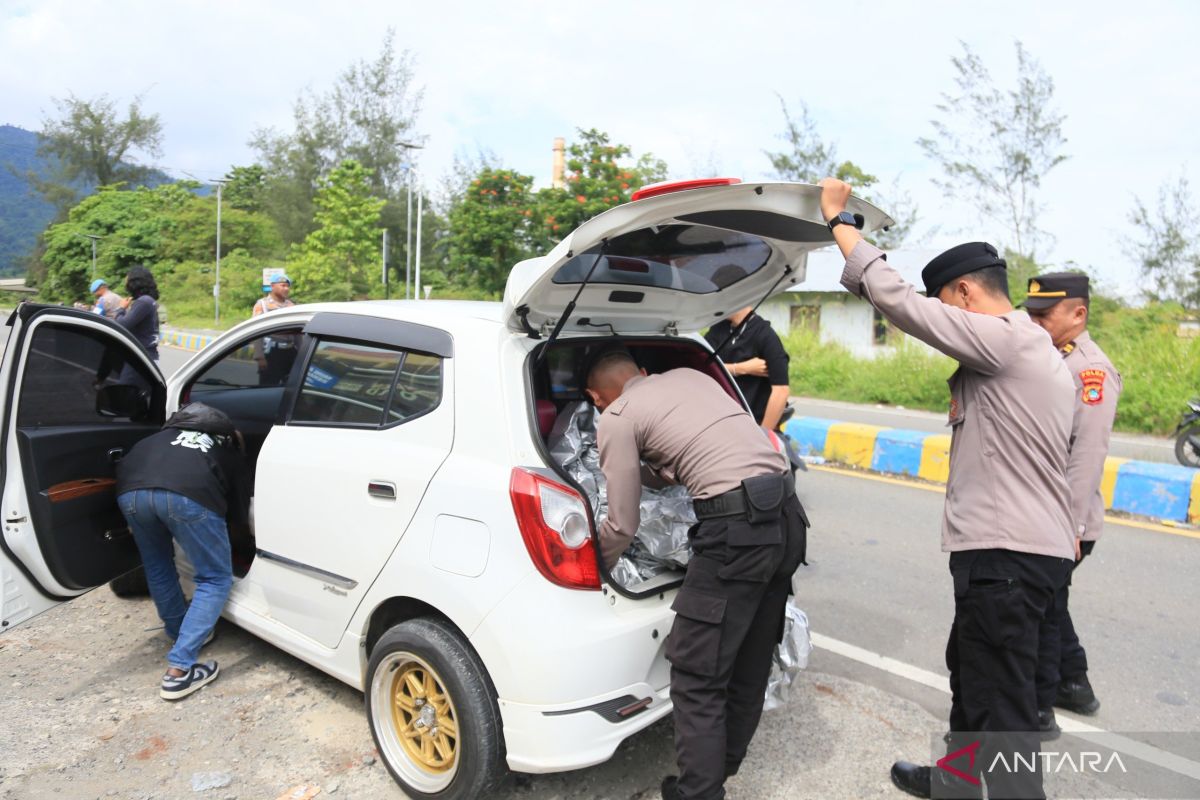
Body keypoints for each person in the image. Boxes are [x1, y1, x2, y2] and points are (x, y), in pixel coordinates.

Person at [818, 177, 1075, 800]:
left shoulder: (1009, 339)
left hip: (1008, 557)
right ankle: (957, 782)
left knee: (1006, 707)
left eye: (947, 302)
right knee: (974, 676)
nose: (944, 317)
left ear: (964, 292)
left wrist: (839, 223)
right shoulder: (1026, 352)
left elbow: (902, 303)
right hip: (1008, 554)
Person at [584, 350, 807, 800]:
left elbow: (622, 526)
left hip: (737, 535)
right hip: (788, 517)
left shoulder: (617, 418)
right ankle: (718, 767)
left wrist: (595, 566)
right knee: (749, 657)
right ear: (644, 373)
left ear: (595, 399)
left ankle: (699, 792)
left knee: (696, 671)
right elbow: (692, 450)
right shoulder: (688, 374)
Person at [1025, 272, 1121, 730]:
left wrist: (1072, 528)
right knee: (1051, 602)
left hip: (1065, 520)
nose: (1035, 321)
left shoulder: (1090, 371)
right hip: (1047, 514)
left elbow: (1086, 457)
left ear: (1078, 314)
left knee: (1039, 611)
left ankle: (1040, 709)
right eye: (1032, 313)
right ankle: (1074, 685)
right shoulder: (1049, 356)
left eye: (1046, 314)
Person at [115, 403, 251, 700]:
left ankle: (180, 632)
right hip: (189, 498)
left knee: (158, 566)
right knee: (215, 578)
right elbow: (239, 513)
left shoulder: (152, 440)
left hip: (131, 496)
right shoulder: (224, 449)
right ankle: (180, 671)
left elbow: (124, 470)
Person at [704, 307, 791, 430]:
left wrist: (764, 434)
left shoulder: (765, 335)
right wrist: (740, 368)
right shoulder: (718, 329)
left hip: (752, 424)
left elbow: (781, 390)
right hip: (721, 421)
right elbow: (702, 366)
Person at [251, 271, 298, 386]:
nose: (286, 289)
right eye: (282, 285)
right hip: (271, 353)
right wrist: (259, 356)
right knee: (267, 388)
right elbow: (256, 331)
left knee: (290, 387)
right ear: (272, 286)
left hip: (290, 352)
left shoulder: (291, 306)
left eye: (287, 286)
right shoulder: (262, 305)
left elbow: (297, 333)